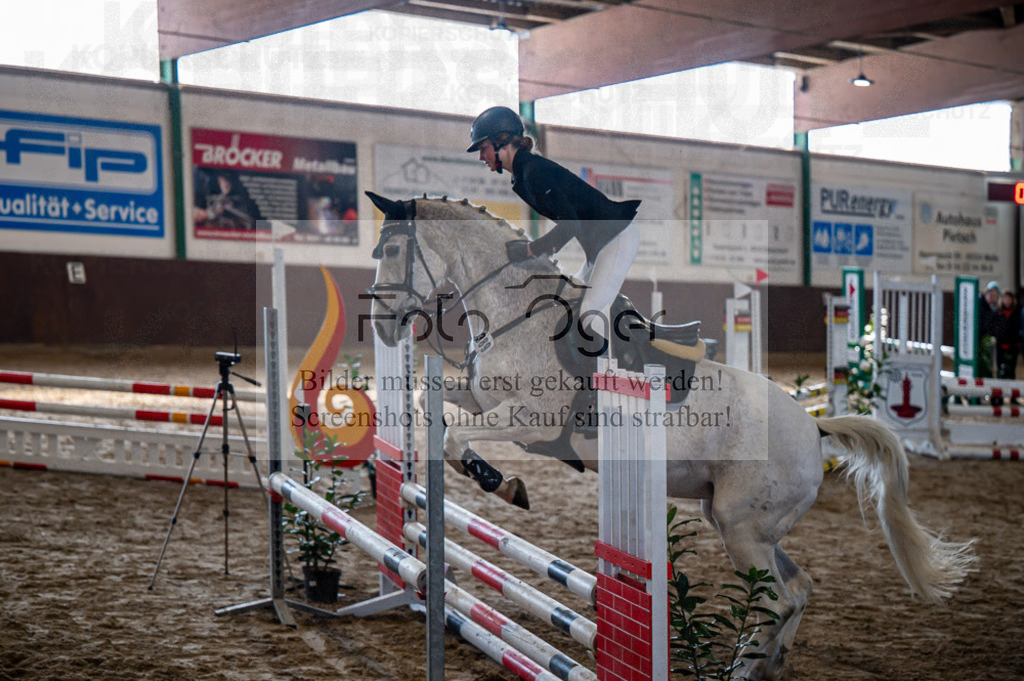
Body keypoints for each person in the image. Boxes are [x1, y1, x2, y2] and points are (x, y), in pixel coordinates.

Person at [468, 106, 687, 358]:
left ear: (502, 140)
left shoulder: (532, 171)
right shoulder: (521, 176)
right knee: (570, 307)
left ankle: (614, 382)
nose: (481, 156)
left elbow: (570, 224)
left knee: (590, 316)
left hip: (617, 237)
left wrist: (531, 249)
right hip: (599, 245)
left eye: (482, 148)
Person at [992, 289, 1021, 380]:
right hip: (1001, 344)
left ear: (1012, 300)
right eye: (1005, 298)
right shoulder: (998, 312)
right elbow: (994, 327)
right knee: (1001, 368)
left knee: (1011, 369)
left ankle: (1013, 391)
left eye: (1009, 299)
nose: (1007, 301)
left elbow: (1019, 327)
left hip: (1013, 345)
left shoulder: (1017, 311)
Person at [977, 280, 1001, 378]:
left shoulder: (994, 309)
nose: (992, 297)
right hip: (978, 343)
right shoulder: (979, 305)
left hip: (987, 345)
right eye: (990, 294)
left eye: (994, 295)